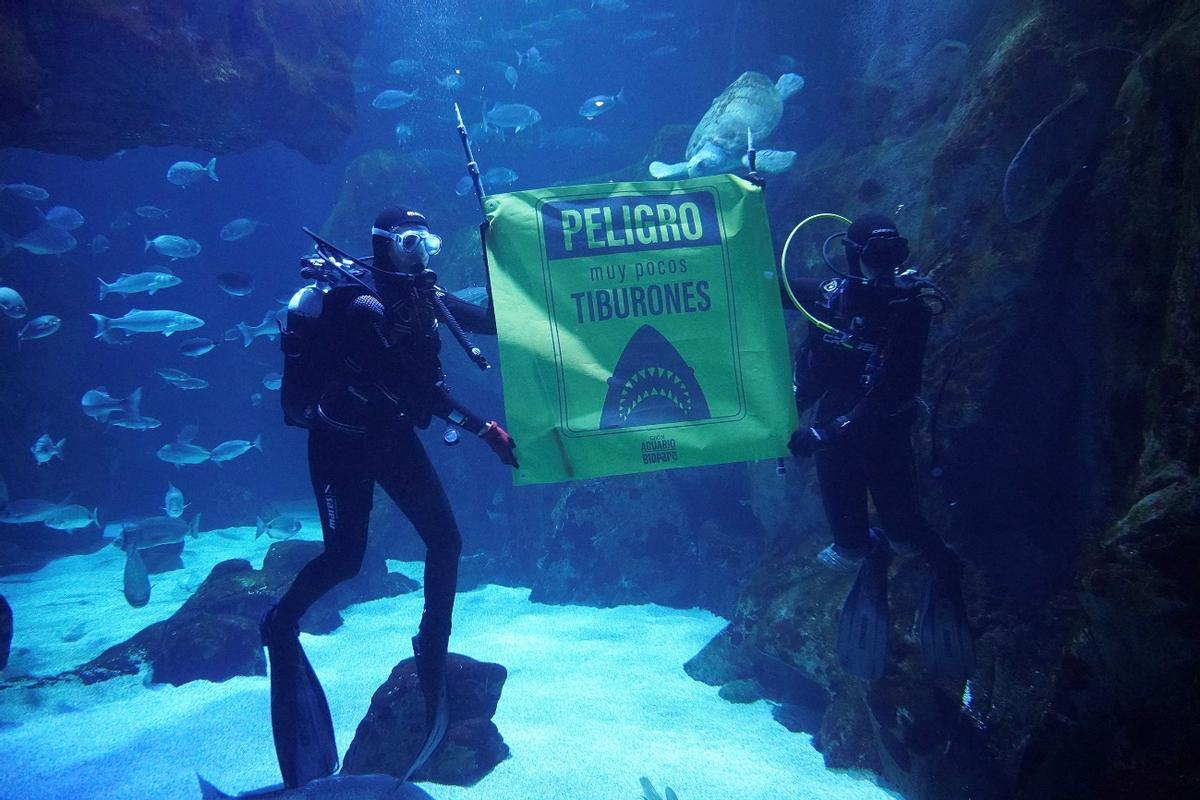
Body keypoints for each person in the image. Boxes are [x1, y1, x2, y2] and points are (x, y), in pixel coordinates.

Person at [261, 205, 518, 787]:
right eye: (408, 242)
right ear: (383, 246)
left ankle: (431, 645)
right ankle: (280, 622)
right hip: (340, 442)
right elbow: (416, 390)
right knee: (346, 558)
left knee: (445, 540)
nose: (421, 252)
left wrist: (519, 272)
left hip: (390, 435)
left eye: (424, 240)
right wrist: (485, 430)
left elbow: (485, 320)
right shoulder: (361, 306)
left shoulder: (421, 298)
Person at [782, 212, 973, 681]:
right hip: (837, 427)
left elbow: (894, 386)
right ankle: (869, 553)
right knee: (848, 541)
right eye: (876, 254)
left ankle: (944, 566)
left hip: (881, 427)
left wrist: (831, 430)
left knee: (904, 525)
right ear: (852, 254)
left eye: (895, 252)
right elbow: (763, 284)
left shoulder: (909, 307)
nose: (886, 265)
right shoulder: (830, 297)